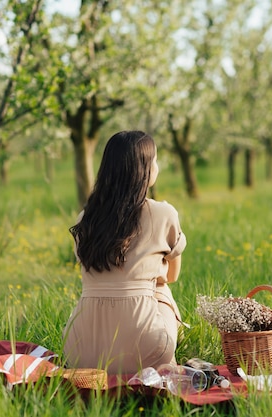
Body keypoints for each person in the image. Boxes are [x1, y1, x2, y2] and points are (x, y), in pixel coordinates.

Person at [63, 130, 186, 375]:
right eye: (155, 161)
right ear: (144, 170)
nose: (157, 167)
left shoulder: (85, 219)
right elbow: (172, 276)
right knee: (160, 288)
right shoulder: (164, 214)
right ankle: (164, 362)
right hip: (146, 351)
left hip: (79, 351)